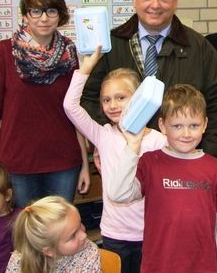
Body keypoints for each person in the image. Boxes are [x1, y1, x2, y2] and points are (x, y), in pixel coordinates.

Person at [81, 0, 217, 157]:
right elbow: (89, 98)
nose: (155, 5)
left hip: (181, 159)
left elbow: (216, 104)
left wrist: (206, 155)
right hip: (124, 156)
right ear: (135, 0)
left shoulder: (200, 48)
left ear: (175, 2)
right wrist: (106, 140)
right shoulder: (109, 46)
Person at [0, 0, 90, 207]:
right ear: (25, 15)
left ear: (60, 16)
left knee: (60, 233)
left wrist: (84, 164)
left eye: (51, 11)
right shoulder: (5, 51)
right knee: (27, 235)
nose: (44, 18)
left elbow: (74, 111)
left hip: (64, 162)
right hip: (18, 164)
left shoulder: (70, 53)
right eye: (36, 11)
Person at [63, 45, 167, 273]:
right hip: (114, 234)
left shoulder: (159, 140)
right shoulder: (103, 134)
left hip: (150, 233)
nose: (112, 105)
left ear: (139, 97)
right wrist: (86, 68)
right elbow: (70, 106)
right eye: (106, 100)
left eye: (121, 97)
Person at [107, 84, 217, 273]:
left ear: (205, 125)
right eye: (177, 126)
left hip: (203, 267)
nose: (186, 134)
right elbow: (117, 194)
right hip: (159, 266)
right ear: (162, 126)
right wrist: (132, 146)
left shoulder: (214, 167)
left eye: (194, 126)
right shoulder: (150, 162)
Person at [6, 196, 100, 272]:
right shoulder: (19, 260)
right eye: (72, 236)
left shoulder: (88, 252)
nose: (84, 235)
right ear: (49, 251)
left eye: (80, 224)